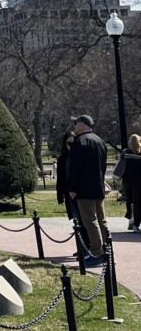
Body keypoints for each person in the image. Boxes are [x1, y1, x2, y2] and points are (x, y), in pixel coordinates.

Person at [66, 114, 108, 267]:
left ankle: (97, 253)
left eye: (76, 123)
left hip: (84, 189)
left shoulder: (80, 142)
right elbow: (103, 166)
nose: (74, 126)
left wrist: (72, 187)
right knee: (101, 220)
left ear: (83, 124)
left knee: (90, 221)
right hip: (98, 187)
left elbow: (75, 168)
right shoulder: (100, 141)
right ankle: (107, 250)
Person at [120, 133, 141, 234]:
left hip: (127, 181)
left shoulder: (125, 152)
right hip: (139, 181)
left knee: (130, 201)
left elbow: (121, 165)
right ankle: (136, 223)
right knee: (138, 202)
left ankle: (132, 222)